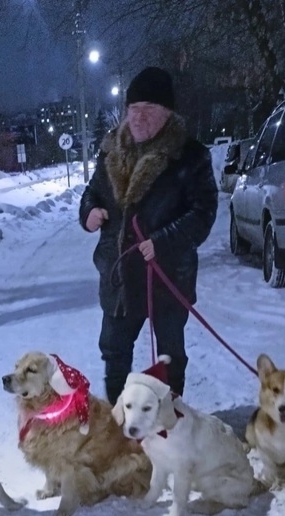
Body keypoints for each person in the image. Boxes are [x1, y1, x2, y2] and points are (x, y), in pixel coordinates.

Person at [79, 66, 218, 403]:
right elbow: (92, 193)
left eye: (149, 109)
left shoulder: (189, 155)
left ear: (167, 113)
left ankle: (171, 421)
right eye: (134, 108)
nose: (139, 117)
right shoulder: (111, 151)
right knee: (114, 353)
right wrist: (89, 212)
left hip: (166, 276)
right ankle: (119, 420)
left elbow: (203, 212)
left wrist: (163, 242)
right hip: (119, 277)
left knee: (169, 358)